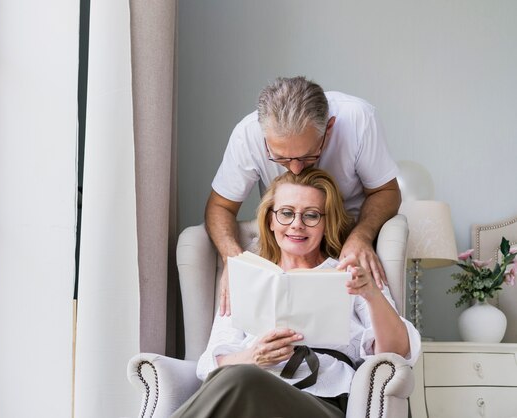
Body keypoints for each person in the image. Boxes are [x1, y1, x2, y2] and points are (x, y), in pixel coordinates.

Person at [172, 168, 420, 418]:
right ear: (270, 220)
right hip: (249, 395)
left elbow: (397, 352)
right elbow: (207, 366)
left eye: (311, 215)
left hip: (322, 402)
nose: (297, 225)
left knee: (242, 378)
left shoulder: (351, 272)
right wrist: (252, 356)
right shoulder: (249, 276)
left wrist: (372, 294)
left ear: (326, 222)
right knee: (241, 376)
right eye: (286, 213)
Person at [206, 76, 401, 315]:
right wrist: (234, 262)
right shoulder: (246, 135)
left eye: (308, 156)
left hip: (351, 233)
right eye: (281, 158)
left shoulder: (359, 119)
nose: (296, 169)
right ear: (264, 138)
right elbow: (220, 206)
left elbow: (387, 191)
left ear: (329, 129)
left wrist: (361, 236)